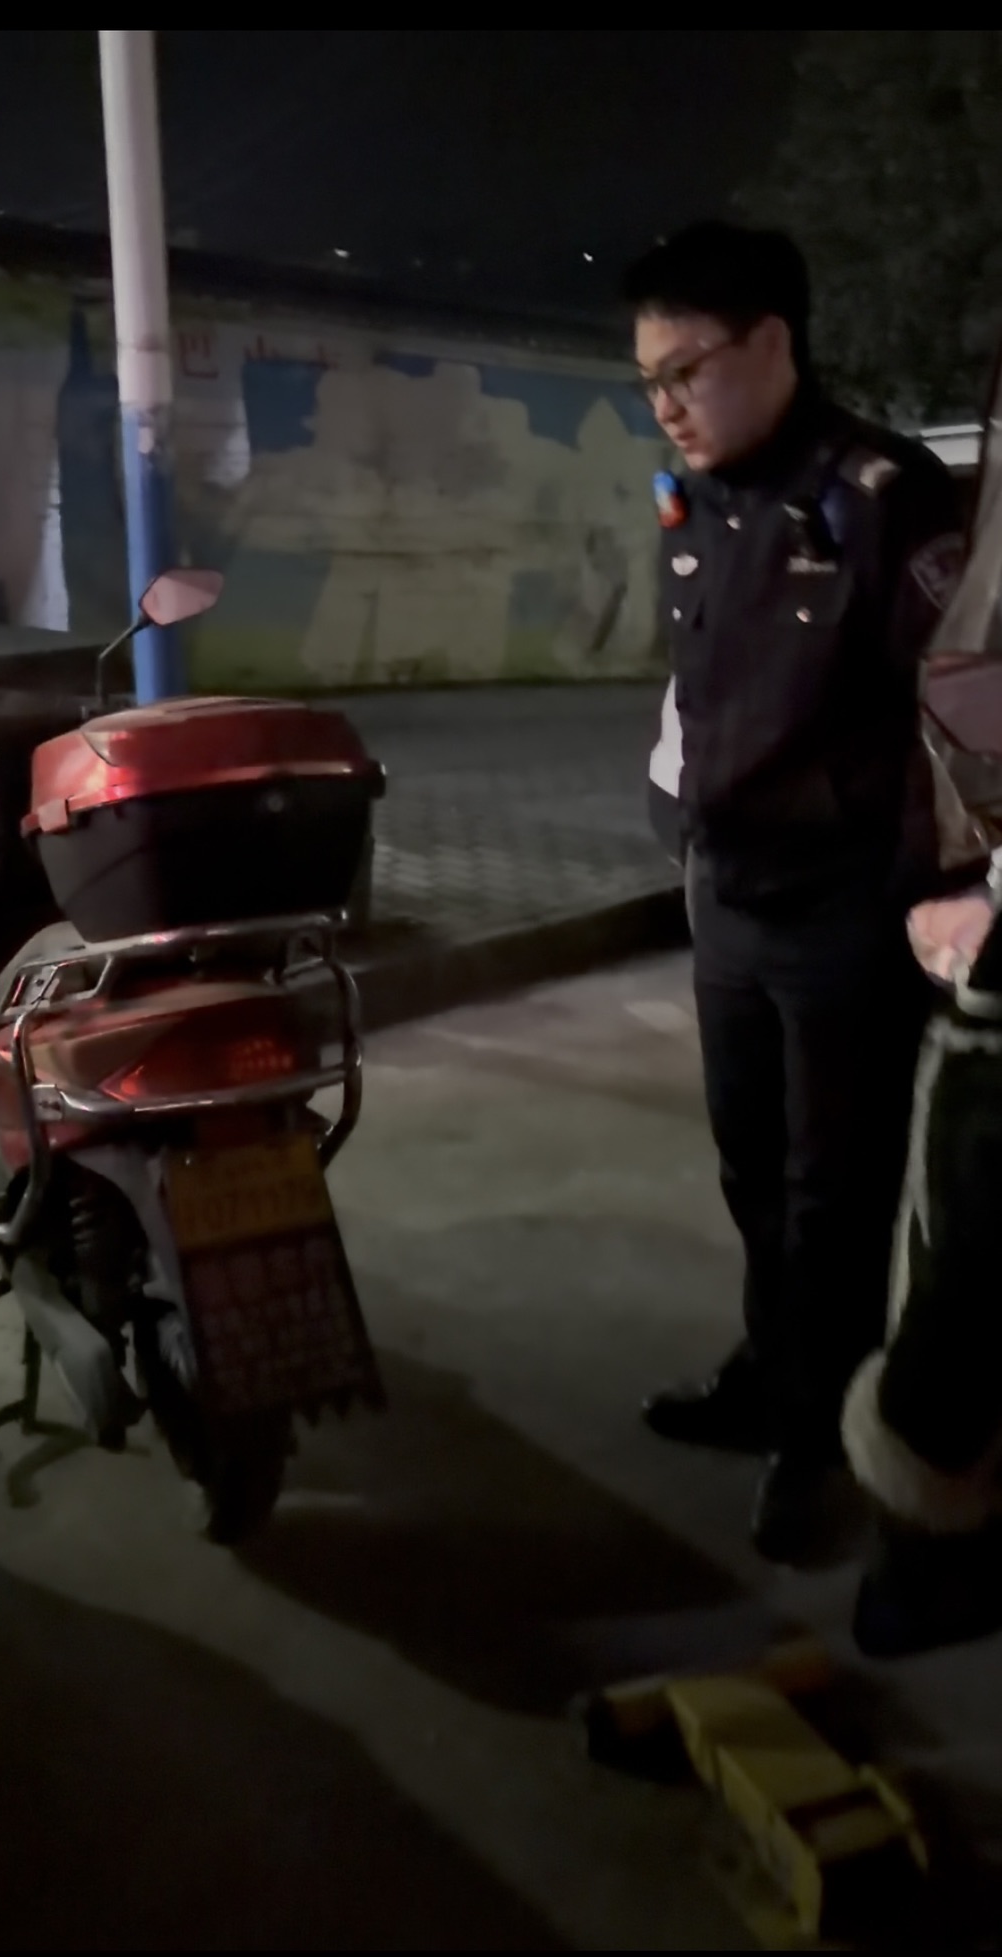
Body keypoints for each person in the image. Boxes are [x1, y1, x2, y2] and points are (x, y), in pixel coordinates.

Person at [626, 220, 975, 1561]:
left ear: (772, 342)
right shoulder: (698, 500)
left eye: (687, 372)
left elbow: (959, 710)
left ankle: (823, 1426)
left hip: (845, 905)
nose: (667, 405)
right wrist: (674, 819)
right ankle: (772, 1369)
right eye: (649, 381)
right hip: (731, 896)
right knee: (751, 1163)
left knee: (838, 1186)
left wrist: (948, 888)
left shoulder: (883, 496)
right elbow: (691, 683)